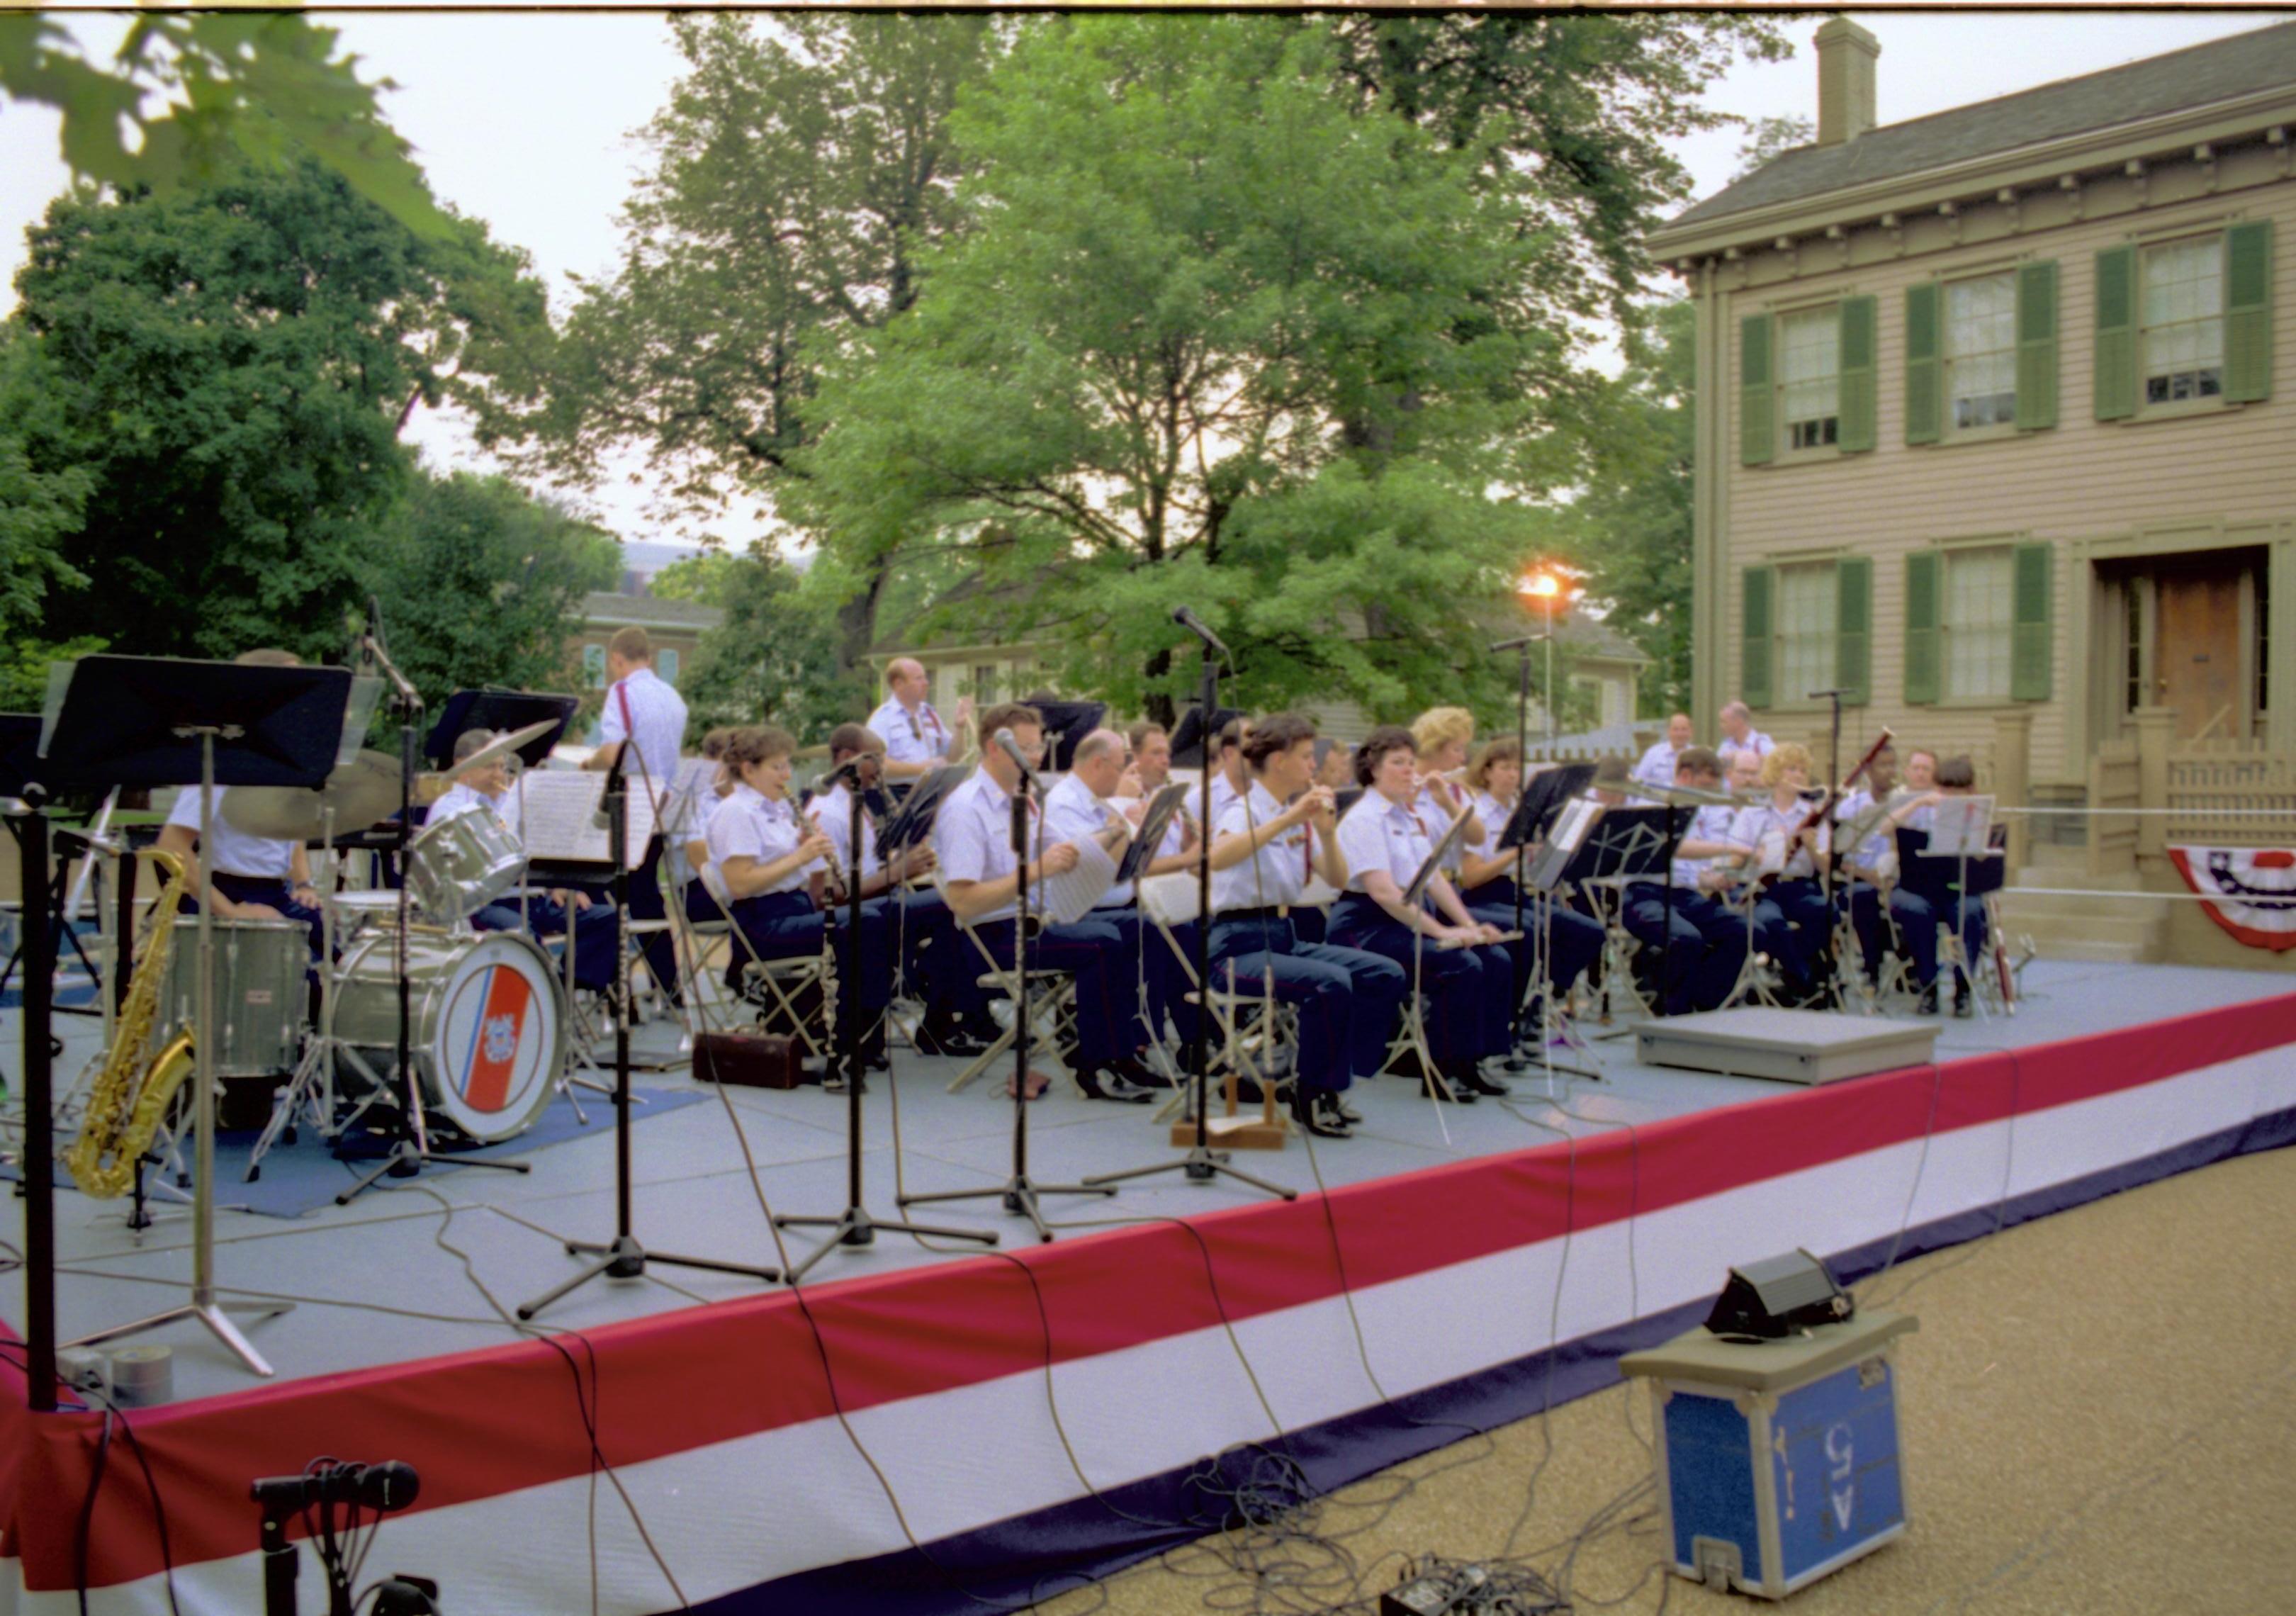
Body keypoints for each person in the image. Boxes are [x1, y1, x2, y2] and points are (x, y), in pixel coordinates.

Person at [933, 702, 1156, 1102]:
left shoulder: (1025, 798)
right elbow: (963, 903)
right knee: (1103, 942)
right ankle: (1095, 1064)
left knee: (1132, 925)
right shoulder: (967, 808)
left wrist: (1117, 827)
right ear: (995, 748)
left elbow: (1067, 849)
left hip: (1029, 923)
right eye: (1026, 749)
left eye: (1037, 748)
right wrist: (1037, 871)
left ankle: (1123, 1052)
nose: (1035, 758)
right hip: (991, 937)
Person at [1205, 714, 1405, 1138]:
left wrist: (1327, 834)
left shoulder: (1286, 812)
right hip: (1235, 948)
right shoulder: (1244, 810)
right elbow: (1216, 858)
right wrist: (1288, 820)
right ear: (1279, 761)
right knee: (1329, 983)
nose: (1312, 766)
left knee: (1383, 973)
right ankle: (1310, 1092)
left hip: (1282, 936)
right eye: (1304, 757)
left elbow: (1335, 879)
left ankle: (1336, 1077)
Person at [1327, 726, 1516, 1101]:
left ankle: (1473, 1061)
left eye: (1411, 763)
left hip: (1402, 916)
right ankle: (1441, 1072)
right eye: (1397, 763)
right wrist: (1440, 933)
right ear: (1374, 768)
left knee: (1494, 957)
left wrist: (1468, 925)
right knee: (1458, 965)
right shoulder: (1366, 817)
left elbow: (1432, 881)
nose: (1408, 771)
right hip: (1364, 925)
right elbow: (1384, 893)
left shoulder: (1407, 816)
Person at [705, 725, 895, 1084]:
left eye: (787, 765)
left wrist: (805, 848)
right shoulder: (736, 813)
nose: (788, 775)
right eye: (777, 767)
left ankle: (865, 1031)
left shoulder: (774, 810)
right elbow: (741, 883)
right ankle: (848, 1040)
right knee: (863, 922)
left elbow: (793, 874)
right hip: (762, 925)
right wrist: (801, 855)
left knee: (886, 912)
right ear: (748, 770)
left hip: (793, 910)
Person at [805, 724, 990, 1057]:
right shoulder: (829, 812)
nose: (882, 768)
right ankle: (940, 1018)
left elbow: (866, 869)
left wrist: (904, 860)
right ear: (847, 758)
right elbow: (823, 898)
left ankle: (947, 1008)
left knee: (953, 907)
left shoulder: (856, 803)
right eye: (874, 759)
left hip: (874, 903)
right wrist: (896, 872)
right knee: (950, 906)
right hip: (852, 915)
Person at [1042, 727, 1202, 1086]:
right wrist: (1123, 813)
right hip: (1077, 909)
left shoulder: (1098, 799)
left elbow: (1125, 865)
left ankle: (1155, 1044)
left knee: (1165, 927)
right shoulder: (1064, 803)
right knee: (1118, 937)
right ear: (1098, 764)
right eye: (1121, 765)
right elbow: (1091, 867)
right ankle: (1106, 1055)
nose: (1126, 773)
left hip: (1111, 903)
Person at [157, 649, 325, 958]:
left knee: (336, 960)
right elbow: (171, 845)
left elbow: (293, 832)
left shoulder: (287, 762)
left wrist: (304, 884)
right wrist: (231, 912)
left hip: (276, 891)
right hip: (227, 892)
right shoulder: (222, 763)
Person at [430, 729, 619, 988]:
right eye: (490, 767)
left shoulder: (511, 800)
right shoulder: (449, 808)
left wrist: (556, 884)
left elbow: (537, 848)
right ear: (462, 766)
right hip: (484, 903)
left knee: (606, 918)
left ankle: (561, 990)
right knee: (524, 939)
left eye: (502, 767)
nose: (500, 775)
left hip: (529, 895)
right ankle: (542, 994)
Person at [1452, 737, 1604, 1033]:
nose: (1513, 775)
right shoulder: (1478, 814)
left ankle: (1537, 997)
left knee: (1588, 932)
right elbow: (1471, 877)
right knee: (1531, 930)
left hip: (1516, 890)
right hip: (1482, 895)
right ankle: (1513, 1016)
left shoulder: (1521, 811)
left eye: (1516, 768)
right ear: (1487, 772)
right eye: (1505, 768)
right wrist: (1514, 853)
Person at [585, 625, 686, 1006]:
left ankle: (611, 989)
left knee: (602, 894)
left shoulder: (622, 692)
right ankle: (669, 985)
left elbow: (611, 754)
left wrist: (587, 763)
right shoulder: (672, 696)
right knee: (647, 900)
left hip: (629, 807)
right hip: (661, 808)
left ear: (617, 659)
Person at [1619, 747, 1747, 1015]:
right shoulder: (1651, 801)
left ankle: (1703, 1002)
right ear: (1685, 775)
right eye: (1704, 786)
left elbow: (1686, 870)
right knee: (1685, 938)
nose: (1707, 794)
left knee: (1739, 930)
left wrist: (1712, 880)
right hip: (1644, 894)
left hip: (1684, 894)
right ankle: (1674, 1012)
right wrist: (1736, 850)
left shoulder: (1698, 810)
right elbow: (1674, 847)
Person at [1721, 744, 1834, 1006]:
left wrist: (1812, 848)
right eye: (1791, 768)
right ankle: (1801, 975)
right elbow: (1734, 858)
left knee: (1827, 914)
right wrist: (1762, 849)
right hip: (1762, 888)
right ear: (1775, 774)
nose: (1798, 775)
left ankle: (1789, 973)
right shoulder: (1752, 814)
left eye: (1803, 770)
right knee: (1770, 922)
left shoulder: (1814, 817)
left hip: (1800, 887)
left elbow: (1827, 868)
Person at [1832, 743, 1941, 1009]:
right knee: (1861, 898)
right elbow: (1836, 857)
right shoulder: (1850, 806)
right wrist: (1868, 876)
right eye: (1883, 765)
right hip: (1859, 877)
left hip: (1898, 879)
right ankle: (1873, 969)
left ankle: (1910, 962)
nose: (1889, 771)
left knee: (1908, 905)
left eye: (1893, 765)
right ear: (1868, 770)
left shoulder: (1904, 802)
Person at [1886, 754, 1993, 1017]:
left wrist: (1974, 840)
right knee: (1917, 911)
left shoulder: (1975, 813)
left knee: (1970, 912)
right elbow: (1884, 828)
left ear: (1969, 791)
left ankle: (1963, 988)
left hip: (1959, 889)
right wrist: (1919, 803)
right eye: (1945, 790)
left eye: (1958, 792)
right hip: (1916, 888)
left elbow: (1984, 860)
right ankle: (1928, 986)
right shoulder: (1920, 809)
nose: (1950, 797)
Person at [869, 658, 972, 783]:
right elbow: (876, 764)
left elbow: (953, 757)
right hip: (898, 795)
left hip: (930, 792)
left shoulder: (929, 714)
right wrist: (922, 769)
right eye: (919, 679)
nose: (926, 683)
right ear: (898, 684)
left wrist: (960, 727)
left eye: (925, 678)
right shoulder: (883, 718)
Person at [1633, 713, 1696, 792]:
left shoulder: (1697, 755)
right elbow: (1639, 782)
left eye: (1684, 729)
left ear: (1691, 732)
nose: (1680, 734)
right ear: (1668, 731)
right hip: (1658, 802)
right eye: (1675, 729)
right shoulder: (1653, 753)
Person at [1716, 701, 1774, 766]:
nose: (1721, 726)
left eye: (1724, 722)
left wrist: (1739, 756)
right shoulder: (1726, 744)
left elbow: (1776, 764)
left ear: (1738, 721)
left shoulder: (1761, 743)